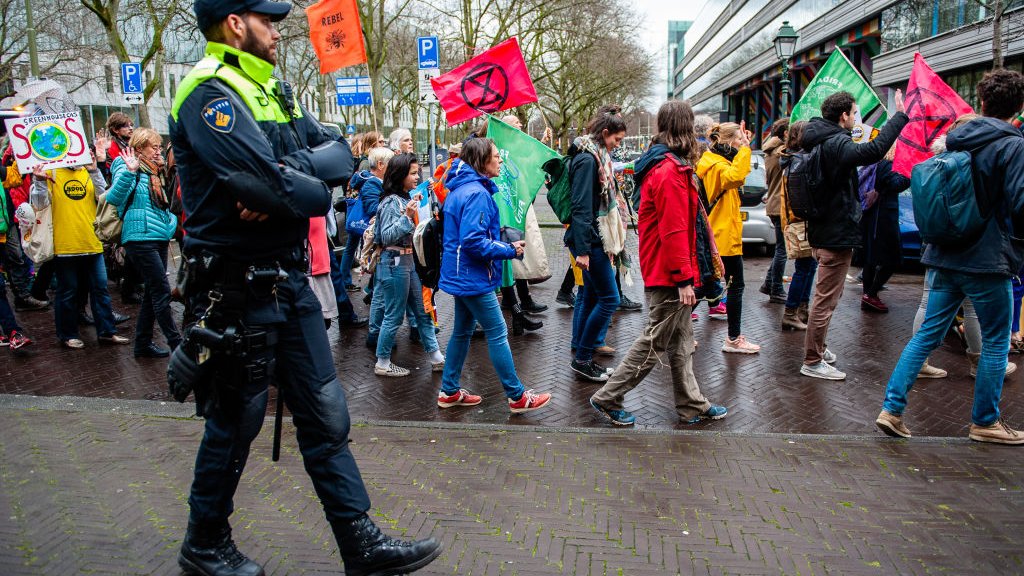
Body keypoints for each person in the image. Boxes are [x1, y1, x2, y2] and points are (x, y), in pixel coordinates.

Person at [168, 2, 441, 574]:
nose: (277, 31)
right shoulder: (208, 92)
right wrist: (292, 183)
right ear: (235, 23)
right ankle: (204, 542)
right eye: (267, 21)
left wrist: (285, 178)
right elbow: (281, 186)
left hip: (288, 281)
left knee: (325, 412)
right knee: (236, 421)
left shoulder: (275, 90)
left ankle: (359, 543)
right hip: (234, 292)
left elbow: (344, 156)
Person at [876, 68, 1024, 444]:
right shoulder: (1012, 145)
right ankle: (985, 422)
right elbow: (1020, 204)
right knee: (994, 342)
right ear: (1018, 107)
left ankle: (891, 409)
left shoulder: (953, 141)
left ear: (983, 102)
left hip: (943, 253)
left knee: (926, 335)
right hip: (988, 259)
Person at [589, 100, 727, 426]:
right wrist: (683, 278)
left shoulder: (666, 165)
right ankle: (608, 397)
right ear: (685, 128)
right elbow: (675, 230)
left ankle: (692, 404)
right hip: (669, 273)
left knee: (680, 340)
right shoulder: (670, 171)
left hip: (667, 269)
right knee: (656, 340)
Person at [435, 138, 552, 413]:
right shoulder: (475, 193)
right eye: (496, 156)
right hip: (472, 276)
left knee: (462, 332)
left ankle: (449, 391)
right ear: (482, 161)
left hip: (461, 272)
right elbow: (473, 241)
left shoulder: (461, 188)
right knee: (498, 332)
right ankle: (517, 397)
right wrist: (509, 248)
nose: (500, 160)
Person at [799, 90, 908, 380]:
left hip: (824, 229)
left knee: (826, 298)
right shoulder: (835, 142)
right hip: (835, 234)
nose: (856, 118)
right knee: (825, 300)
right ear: (844, 115)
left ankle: (818, 347)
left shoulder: (819, 140)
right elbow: (872, 151)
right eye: (854, 113)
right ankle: (812, 360)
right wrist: (900, 117)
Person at [31, 153, 130, 350]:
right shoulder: (51, 172)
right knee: (68, 292)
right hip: (65, 245)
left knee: (100, 289)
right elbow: (39, 204)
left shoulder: (88, 172)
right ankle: (67, 335)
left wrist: (95, 170)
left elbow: (105, 197)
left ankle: (107, 332)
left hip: (92, 243)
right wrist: (39, 181)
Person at [105, 127, 182, 358]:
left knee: (152, 292)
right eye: (154, 147)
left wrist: (169, 224)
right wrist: (130, 172)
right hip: (139, 236)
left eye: (159, 147)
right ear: (139, 147)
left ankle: (142, 343)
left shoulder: (155, 170)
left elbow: (163, 205)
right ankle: (177, 345)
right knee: (161, 290)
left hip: (157, 235)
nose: (158, 151)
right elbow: (113, 198)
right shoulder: (125, 164)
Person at [566, 108, 627, 382]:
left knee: (590, 296)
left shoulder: (596, 157)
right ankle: (583, 358)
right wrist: (583, 250)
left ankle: (580, 348)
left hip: (593, 237)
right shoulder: (588, 161)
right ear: (605, 134)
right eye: (617, 139)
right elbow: (580, 207)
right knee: (610, 298)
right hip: (593, 239)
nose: (618, 145)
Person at [372, 152, 444, 377]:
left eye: (418, 173)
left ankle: (436, 357)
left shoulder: (406, 198)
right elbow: (385, 236)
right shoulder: (391, 202)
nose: (417, 177)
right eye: (413, 173)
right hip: (394, 263)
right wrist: (407, 217)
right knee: (394, 314)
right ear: (400, 174)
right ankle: (382, 362)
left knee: (422, 312)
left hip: (409, 261)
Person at [697, 122, 758, 353]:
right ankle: (733, 338)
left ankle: (670, 329)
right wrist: (744, 149)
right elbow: (735, 176)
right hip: (723, 237)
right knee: (731, 286)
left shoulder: (715, 161)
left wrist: (742, 145)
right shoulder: (716, 166)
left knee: (707, 286)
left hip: (723, 235)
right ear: (729, 141)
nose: (743, 144)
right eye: (740, 139)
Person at [497, 114, 548, 334]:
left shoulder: (513, 149)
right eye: (516, 124)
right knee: (511, 257)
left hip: (517, 205)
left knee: (518, 255)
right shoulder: (501, 150)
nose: (520, 126)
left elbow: (529, 165)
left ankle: (519, 304)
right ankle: (517, 308)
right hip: (507, 208)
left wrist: (543, 144)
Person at [778, 121, 818, 331]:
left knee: (808, 267)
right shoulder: (798, 161)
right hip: (801, 221)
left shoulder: (790, 159)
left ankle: (801, 309)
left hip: (797, 220)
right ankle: (791, 312)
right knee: (804, 268)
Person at [859, 145, 905, 313]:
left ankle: (868, 295)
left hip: (872, 218)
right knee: (892, 259)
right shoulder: (888, 165)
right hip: (883, 219)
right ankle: (871, 294)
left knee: (870, 259)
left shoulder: (875, 163)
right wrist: (908, 173)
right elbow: (895, 184)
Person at [760, 118, 789, 304]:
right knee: (782, 251)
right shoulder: (781, 153)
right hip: (780, 205)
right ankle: (776, 289)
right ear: (786, 134)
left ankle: (769, 283)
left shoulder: (770, 151)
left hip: (773, 203)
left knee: (780, 248)